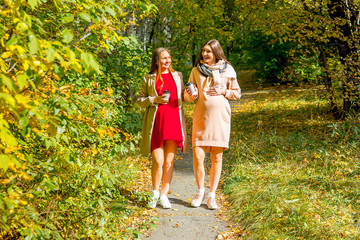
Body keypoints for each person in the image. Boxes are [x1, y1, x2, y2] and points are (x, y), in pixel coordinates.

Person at [184, 39, 241, 209]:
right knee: (198, 156)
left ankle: (212, 196)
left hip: (221, 118)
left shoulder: (228, 70)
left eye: (208, 51)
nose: (204, 54)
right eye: (203, 51)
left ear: (216, 52)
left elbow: (237, 93)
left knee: (217, 157)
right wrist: (190, 95)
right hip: (201, 118)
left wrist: (224, 91)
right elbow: (187, 96)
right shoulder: (196, 71)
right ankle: (200, 191)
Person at [138, 48, 188, 209]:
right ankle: (154, 194)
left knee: (168, 162)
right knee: (157, 161)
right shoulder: (148, 78)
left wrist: (190, 94)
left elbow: (183, 97)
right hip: (156, 123)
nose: (167, 61)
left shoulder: (177, 76)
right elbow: (139, 100)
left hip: (173, 121)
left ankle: (164, 195)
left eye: (169, 58)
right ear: (156, 61)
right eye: (164, 58)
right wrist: (155, 99)